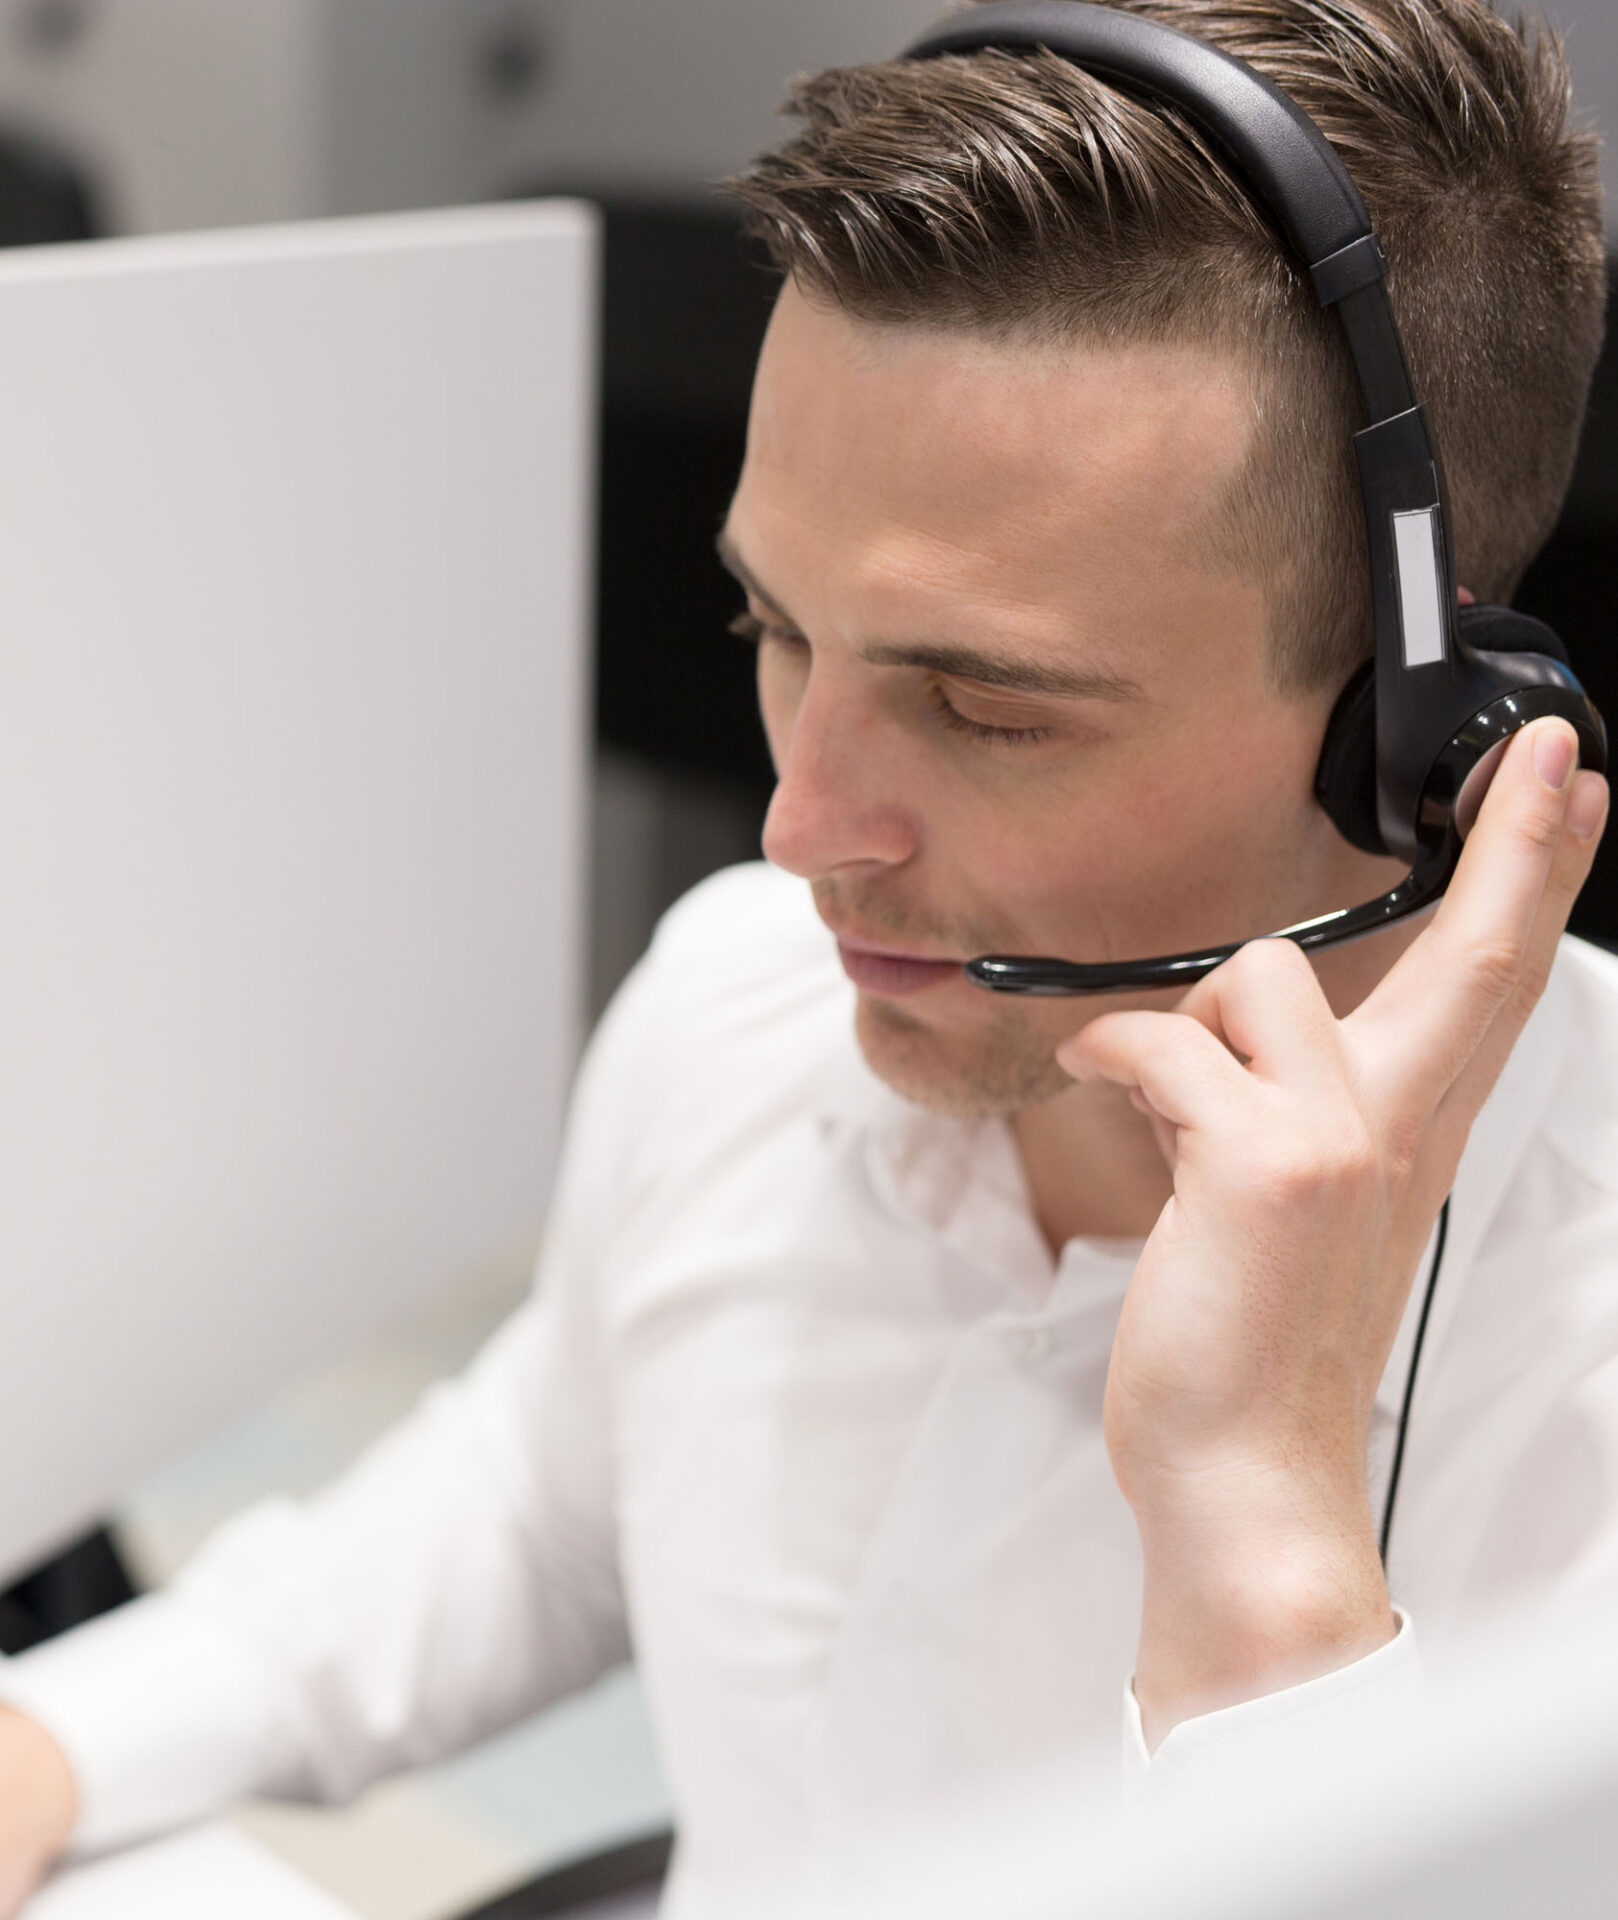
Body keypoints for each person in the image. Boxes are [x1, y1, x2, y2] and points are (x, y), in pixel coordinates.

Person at [1, 0, 1613, 1912]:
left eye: (985, 708)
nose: (795, 829)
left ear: (1419, 746)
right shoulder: (743, 1002)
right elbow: (536, 1505)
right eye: (775, 629)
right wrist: (59, 1744)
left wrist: (1265, 1533)